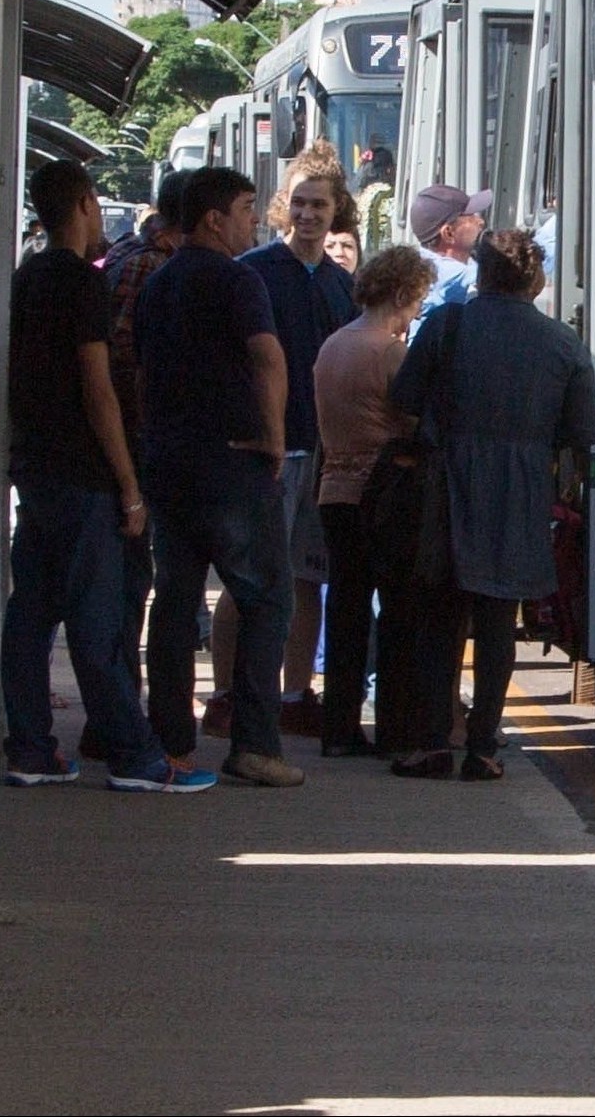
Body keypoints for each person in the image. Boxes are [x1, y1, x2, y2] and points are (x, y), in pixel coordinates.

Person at [2, 160, 216, 793]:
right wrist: (127, 482)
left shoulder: (24, 279)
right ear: (88, 203)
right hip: (84, 472)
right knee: (99, 621)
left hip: (36, 468)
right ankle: (135, 755)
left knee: (32, 613)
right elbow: (97, 387)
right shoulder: (80, 285)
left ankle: (32, 747)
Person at [388, 229, 595, 780]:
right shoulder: (561, 342)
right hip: (522, 490)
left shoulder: (447, 325)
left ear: (481, 273)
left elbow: (404, 398)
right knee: (499, 620)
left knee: (440, 619)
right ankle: (483, 746)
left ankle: (435, 743)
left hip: (448, 484)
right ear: (534, 279)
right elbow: (585, 427)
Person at [135, 166, 304, 788]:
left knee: (176, 603)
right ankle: (255, 745)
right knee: (266, 598)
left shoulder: (158, 283)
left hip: (169, 461)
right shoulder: (239, 280)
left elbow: (144, 373)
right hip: (232, 464)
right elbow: (267, 357)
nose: (253, 220)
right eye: (246, 208)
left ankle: (171, 745)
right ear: (214, 218)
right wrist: (275, 439)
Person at [238, 173, 357, 735]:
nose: (308, 215)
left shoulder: (342, 285)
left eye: (320, 206)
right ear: (286, 209)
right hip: (270, 451)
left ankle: (293, 693)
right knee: (253, 575)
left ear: (337, 213)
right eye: (301, 204)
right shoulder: (254, 272)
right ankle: (231, 695)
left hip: (325, 452)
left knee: (308, 577)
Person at [314, 245, 434, 756]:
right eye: (417, 298)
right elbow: (410, 421)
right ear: (403, 294)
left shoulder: (333, 345)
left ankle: (338, 729)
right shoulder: (389, 352)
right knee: (397, 612)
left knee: (345, 610)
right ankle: (394, 728)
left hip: (333, 491)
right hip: (382, 495)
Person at [85, 167, 190, 748]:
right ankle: (117, 722)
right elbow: (124, 367)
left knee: (122, 586)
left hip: (117, 447)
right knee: (128, 587)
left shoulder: (125, 253)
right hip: (132, 447)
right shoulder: (154, 268)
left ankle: (115, 717)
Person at [409, 184, 490, 331]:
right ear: (449, 233)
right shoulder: (442, 272)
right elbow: (510, 273)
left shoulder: (420, 260)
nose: (480, 221)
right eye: (470, 217)